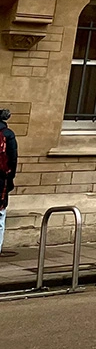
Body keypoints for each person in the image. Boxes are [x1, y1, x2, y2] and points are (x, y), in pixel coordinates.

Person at [0, 108, 16, 257]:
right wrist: (11, 178)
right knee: (0, 215)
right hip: (1, 180)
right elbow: (13, 159)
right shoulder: (8, 134)